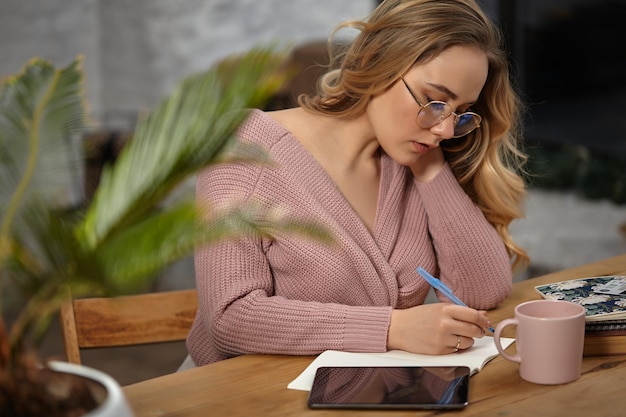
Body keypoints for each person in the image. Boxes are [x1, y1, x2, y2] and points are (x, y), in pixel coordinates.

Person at [183, 0, 528, 368]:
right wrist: (392, 329)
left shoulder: (413, 158)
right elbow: (229, 318)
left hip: (366, 389)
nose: (445, 129)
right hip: (241, 394)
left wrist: (431, 167)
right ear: (377, 64)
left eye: (459, 112)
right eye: (434, 101)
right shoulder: (245, 148)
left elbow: (484, 292)